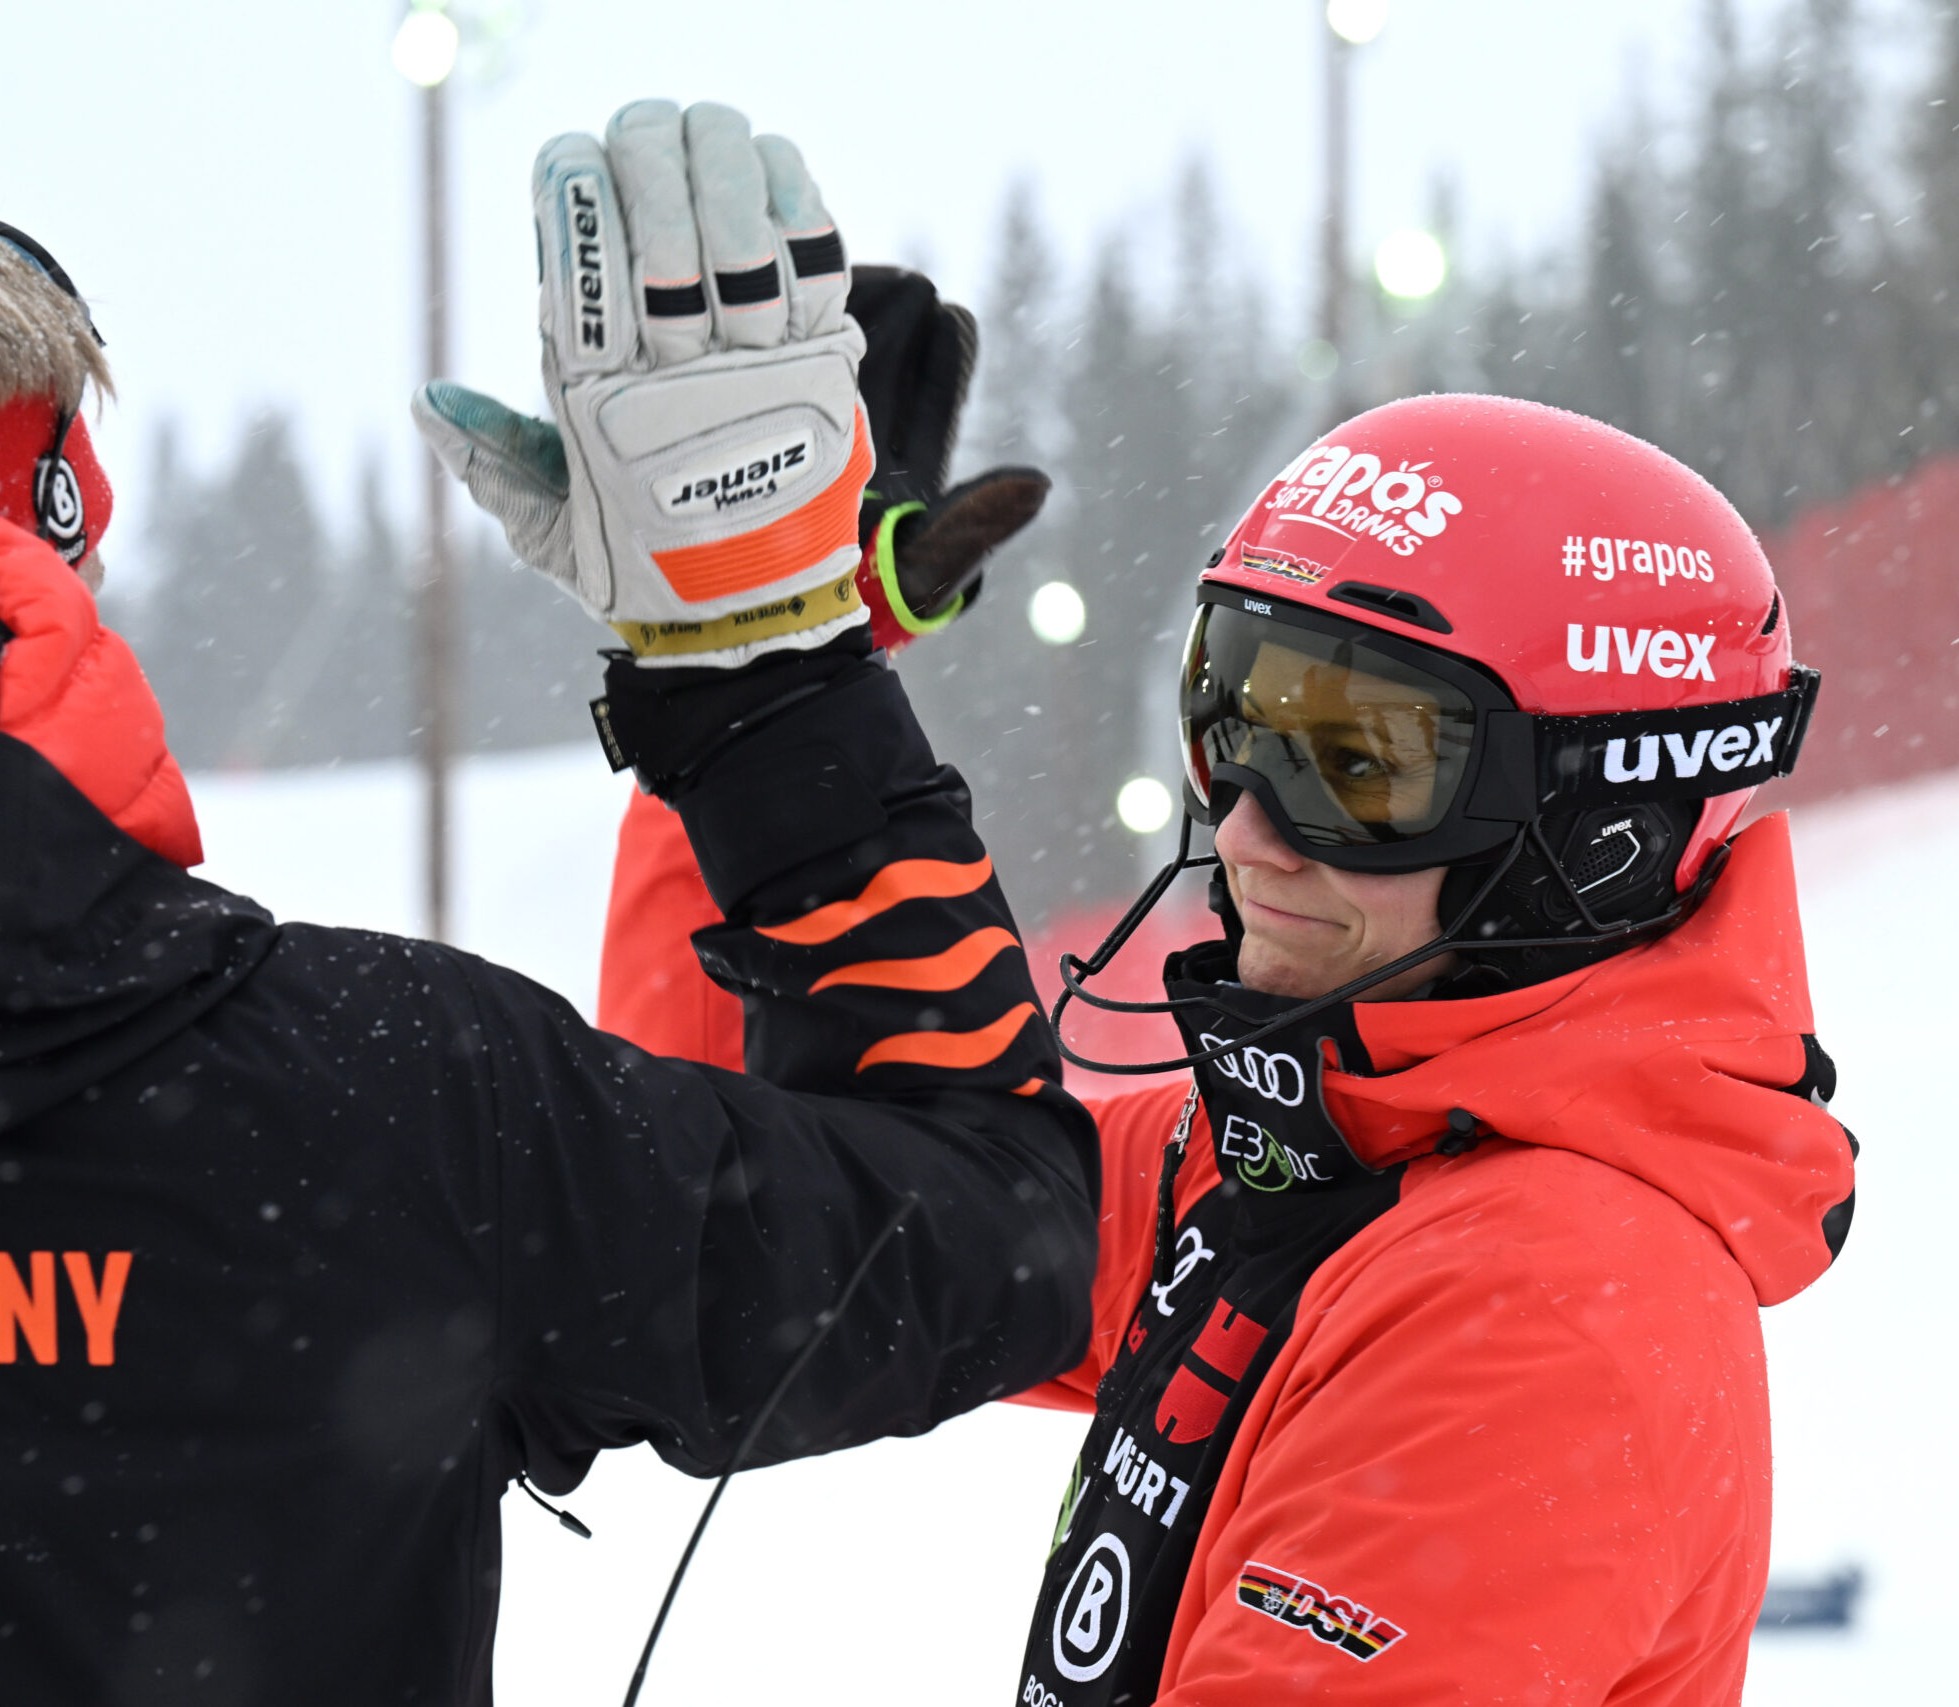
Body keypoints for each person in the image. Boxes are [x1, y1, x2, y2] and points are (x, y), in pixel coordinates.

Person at [0, 103, 1099, 1705]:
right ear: (58, 548)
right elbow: (986, 1236)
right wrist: (766, 666)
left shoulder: (402, 1095)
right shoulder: (396, 1098)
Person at [597, 390, 1860, 1702]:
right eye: (1234, 724)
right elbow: (778, 1231)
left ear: (1598, 835)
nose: (1248, 833)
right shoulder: (1294, 1161)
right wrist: (761, 675)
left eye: (1356, 765)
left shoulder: (1548, 1311)